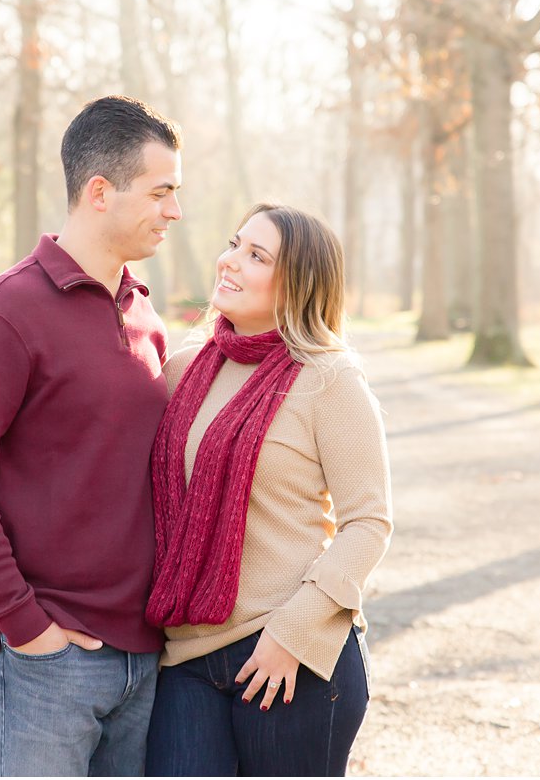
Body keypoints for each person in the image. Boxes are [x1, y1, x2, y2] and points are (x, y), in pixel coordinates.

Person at [0, 95, 183, 777]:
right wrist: (26, 626)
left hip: (145, 658)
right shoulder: (4, 312)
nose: (172, 211)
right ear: (100, 192)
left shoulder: (145, 312)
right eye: (160, 192)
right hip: (48, 661)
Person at [144, 203, 393, 777]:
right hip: (185, 653)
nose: (229, 262)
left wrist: (292, 631)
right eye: (235, 244)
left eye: (256, 256)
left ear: (298, 284)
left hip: (292, 653)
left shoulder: (330, 379)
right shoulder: (184, 369)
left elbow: (369, 523)